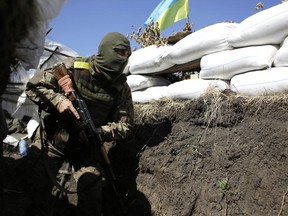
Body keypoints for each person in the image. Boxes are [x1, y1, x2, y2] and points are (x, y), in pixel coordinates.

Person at [25, 32, 134, 216]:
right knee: (38, 190)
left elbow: (126, 126)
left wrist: (100, 131)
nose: (123, 58)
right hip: (53, 139)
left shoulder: (121, 88)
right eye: (119, 52)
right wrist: (58, 100)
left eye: (127, 55)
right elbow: (34, 87)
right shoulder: (73, 67)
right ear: (106, 50)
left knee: (92, 195)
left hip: (86, 145)